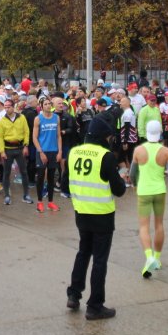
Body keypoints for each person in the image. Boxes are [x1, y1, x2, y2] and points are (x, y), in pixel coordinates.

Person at [65, 116, 127, 320]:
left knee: (83, 252)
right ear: (103, 137)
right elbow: (119, 190)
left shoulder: (74, 152)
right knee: (100, 260)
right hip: (102, 214)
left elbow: (64, 185)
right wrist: (122, 179)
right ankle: (95, 305)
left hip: (81, 211)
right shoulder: (106, 156)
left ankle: (74, 294)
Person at [130, 120, 168, 277]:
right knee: (159, 225)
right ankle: (157, 259)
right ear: (160, 132)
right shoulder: (166, 151)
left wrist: (134, 184)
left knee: (144, 227)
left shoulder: (138, 150)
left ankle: (149, 257)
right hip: (160, 191)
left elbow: (133, 173)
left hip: (144, 191)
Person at [0, 98, 32, 205]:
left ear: (13, 107)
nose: (7, 109)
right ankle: (7, 195)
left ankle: (26, 195)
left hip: (20, 148)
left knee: (24, 172)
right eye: (5, 107)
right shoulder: (2, 121)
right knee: (6, 173)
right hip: (8, 150)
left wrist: (26, 145)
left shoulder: (22, 118)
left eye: (9, 106)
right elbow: (0, 137)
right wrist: (2, 151)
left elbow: (27, 131)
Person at [32, 97, 62, 213]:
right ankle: (40, 202)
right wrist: (40, 152)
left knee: (51, 177)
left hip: (53, 151)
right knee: (40, 177)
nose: (48, 106)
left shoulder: (56, 118)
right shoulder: (38, 119)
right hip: (42, 151)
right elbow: (34, 137)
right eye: (46, 104)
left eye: (49, 104)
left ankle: (50, 202)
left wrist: (59, 151)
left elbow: (58, 136)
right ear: (42, 106)